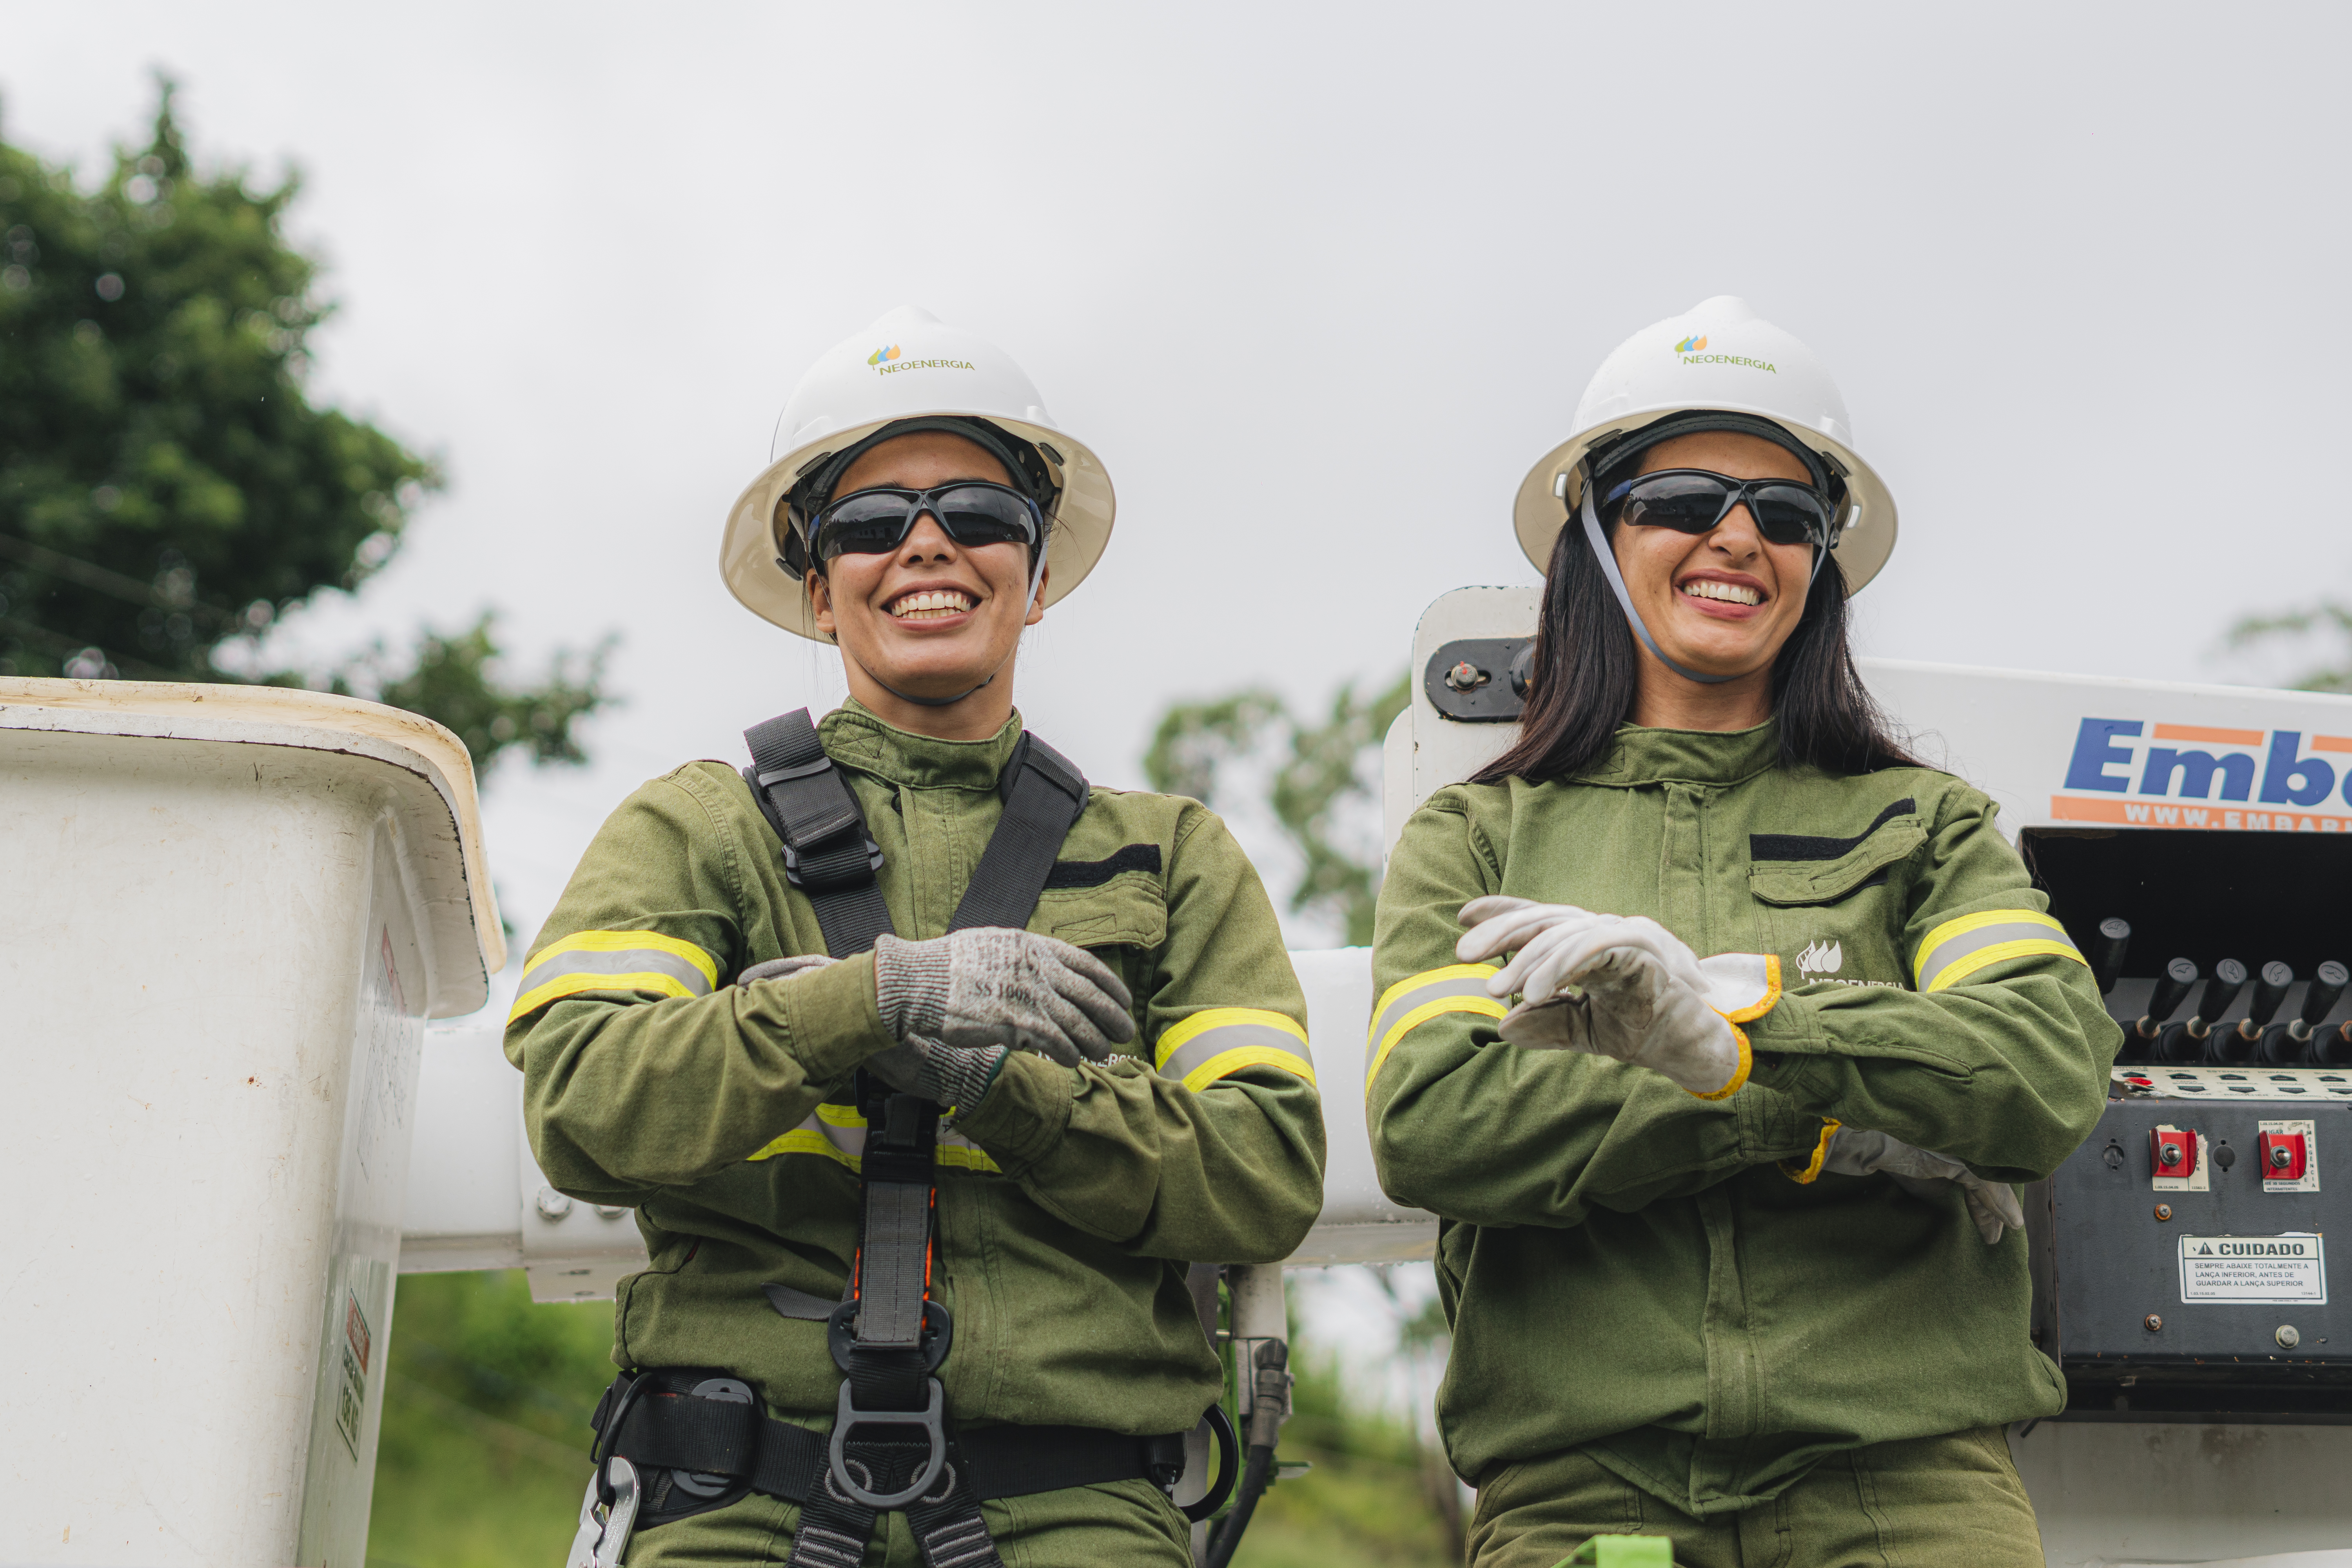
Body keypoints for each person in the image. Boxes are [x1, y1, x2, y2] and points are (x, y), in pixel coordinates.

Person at [509, 306, 1323, 1568]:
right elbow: (581, 1108)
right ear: (818, 593)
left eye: (982, 515)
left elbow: (1261, 1177)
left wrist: (1000, 1086)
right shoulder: (697, 830)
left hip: (1079, 1503)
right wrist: (873, 1000)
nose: (929, 544)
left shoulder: (1169, 858)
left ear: (1039, 576)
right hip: (735, 1491)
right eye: (872, 526)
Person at [1367, 296, 2119, 1567]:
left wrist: (1746, 1026)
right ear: (1597, 534)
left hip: (1909, 1484)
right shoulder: (1479, 838)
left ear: (1822, 558)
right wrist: (1826, 1113)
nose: (1737, 537)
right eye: (1682, 499)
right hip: (1582, 1493)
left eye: (1787, 515)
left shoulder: (1923, 824)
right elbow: (1434, 1127)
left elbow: (2044, 1069)